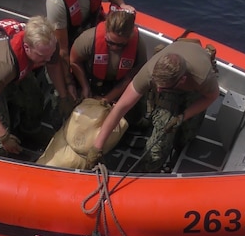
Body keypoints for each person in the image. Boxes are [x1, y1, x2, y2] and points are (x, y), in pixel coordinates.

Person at [85, 40, 220, 172]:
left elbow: (211, 97)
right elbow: (120, 108)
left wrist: (183, 116)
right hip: (171, 86)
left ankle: (181, 142)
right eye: (157, 86)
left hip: (195, 88)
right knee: (164, 125)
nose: (159, 90)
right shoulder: (149, 73)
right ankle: (150, 168)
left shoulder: (203, 77)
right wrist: (97, 147)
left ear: (182, 80)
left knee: (187, 136)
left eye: (162, 88)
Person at [0, 16, 69, 156]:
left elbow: (52, 64)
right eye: (42, 56)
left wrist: (63, 96)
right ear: (27, 47)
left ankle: (30, 131)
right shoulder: (7, 65)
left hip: (17, 68)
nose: (47, 59)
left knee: (34, 99)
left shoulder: (48, 45)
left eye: (49, 54)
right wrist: (4, 136)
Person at [46, 0, 135, 110]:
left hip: (91, 24)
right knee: (63, 89)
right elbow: (62, 49)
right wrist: (69, 82)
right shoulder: (56, 1)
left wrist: (121, 4)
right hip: (67, 36)